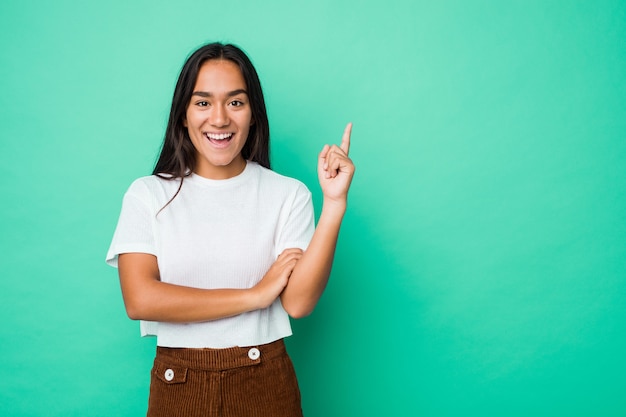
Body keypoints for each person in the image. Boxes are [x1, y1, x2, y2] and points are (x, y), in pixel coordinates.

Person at [105, 42, 354, 416]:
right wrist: (253, 297)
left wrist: (334, 204)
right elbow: (140, 300)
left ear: (253, 113)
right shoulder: (148, 194)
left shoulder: (287, 194)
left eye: (235, 102)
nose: (219, 119)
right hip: (179, 384)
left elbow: (298, 303)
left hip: (265, 380)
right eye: (203, 102)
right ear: (183, 115)